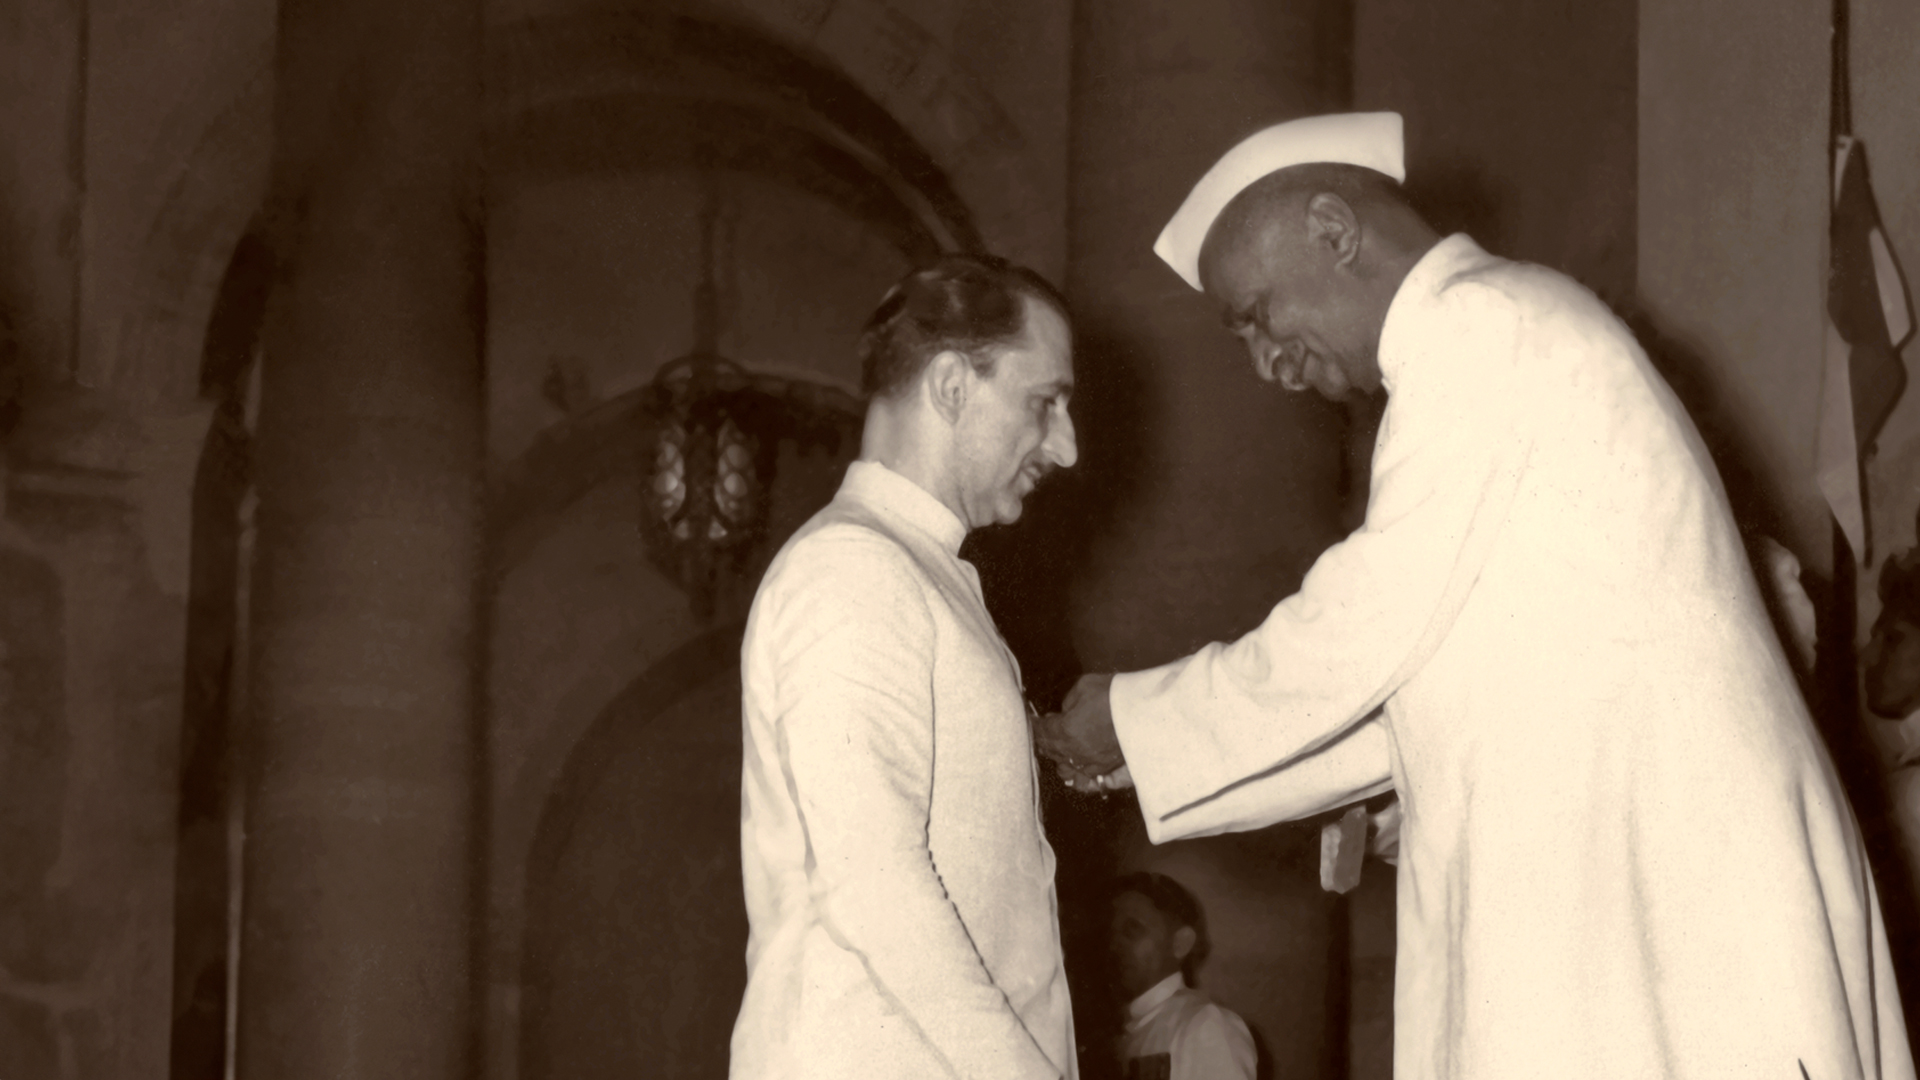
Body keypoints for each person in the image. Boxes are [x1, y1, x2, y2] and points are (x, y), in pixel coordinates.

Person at [1037, 112, 1916, 1079]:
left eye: (1256, 314)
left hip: (1659, 879)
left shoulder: (1481, 323)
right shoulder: (1484, 343)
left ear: (1333, 229)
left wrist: (1131, 716)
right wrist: (1131, 759)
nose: (1264, 363)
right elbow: (1419, 692)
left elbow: (1365, 623)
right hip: (1611, 877)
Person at [730, 253, 1081, 1079]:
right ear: (954, 386)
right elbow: (880, 888)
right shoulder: (854, 568)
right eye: (1046, 403)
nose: (1065, 447)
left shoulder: (919, 572)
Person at [1108, 872, 1255, 1080]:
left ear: (1180, 943)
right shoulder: (1123, 1032)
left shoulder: (1203, 1025)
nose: (1115, 945)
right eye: (1111, 932)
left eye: (1132, 930)